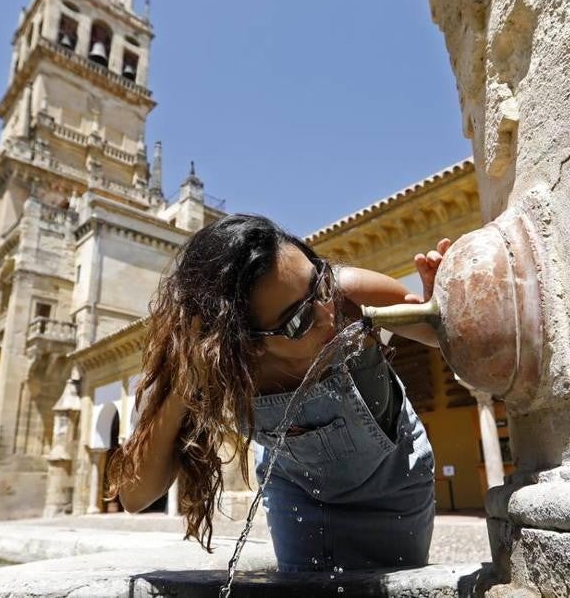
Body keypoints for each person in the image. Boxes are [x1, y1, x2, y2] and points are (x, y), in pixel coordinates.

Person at [108, 213, 450, 571]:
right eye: (298, 320)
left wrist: (440, 305)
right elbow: (135, 496)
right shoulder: (223, 367)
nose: (326, 314)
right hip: (297, 492)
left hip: (394, 480)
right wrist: (183, 387)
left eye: (318, 285)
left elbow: (432, 332)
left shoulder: (347, 296)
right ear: (244, 344)